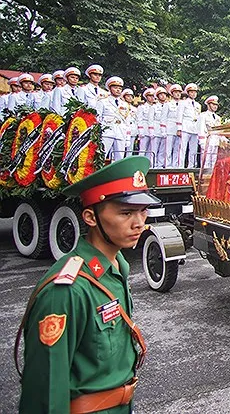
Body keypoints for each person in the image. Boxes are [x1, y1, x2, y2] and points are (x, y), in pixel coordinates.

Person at [16, 156, 156, 413]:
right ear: (91, 217)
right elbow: (45, 392)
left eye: (143, 210)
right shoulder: (67, 291)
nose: (139, 222)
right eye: (126, 212)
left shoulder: (117, 266)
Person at [96, 77, 129, 162]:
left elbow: (127, 122)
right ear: (110, 89)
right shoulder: (103, 101)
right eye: (115, 88)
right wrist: (97, 133)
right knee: (102, 155)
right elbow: (97, 118)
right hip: (107, 132)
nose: (118, 90)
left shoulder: (124, 104)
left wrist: (127, 137)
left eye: (120, 88)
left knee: (120, 158)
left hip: (120, 132)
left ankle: (118, 175)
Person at [178, 83, 202, 168]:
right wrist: (179, 128)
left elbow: (198, 118)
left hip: (194, 128)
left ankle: (192, 165)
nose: (193, 94)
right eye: (191, 92)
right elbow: (179, 116)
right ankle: (180, 166)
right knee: (183, 148)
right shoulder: (183, 103)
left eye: (195, 92)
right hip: (185, 126)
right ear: (188, 93)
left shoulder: (198, 105)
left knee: (193, 149)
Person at [161, 84, 182, 167]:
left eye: (179, 92)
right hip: (170, 129)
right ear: (172, 94)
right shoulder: (168, 104)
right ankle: (168, 165)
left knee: (177, 149)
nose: (178, 94)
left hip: (179, 129)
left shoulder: (182, 105)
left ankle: (175, 165)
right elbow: (163, 118)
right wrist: (163, 131)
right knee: (168, 149)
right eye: (176, 92)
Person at [152, 87, 168, 168]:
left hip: (165, 130)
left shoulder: (168, 105)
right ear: (157, 96)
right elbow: (150, 119)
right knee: (154, 149)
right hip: (156, 129)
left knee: (162, 149)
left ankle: (160, 165)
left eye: (164, 94)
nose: (163, 96)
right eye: (161, 94)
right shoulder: (154, 107)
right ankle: (152, 164)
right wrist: (151, 131)